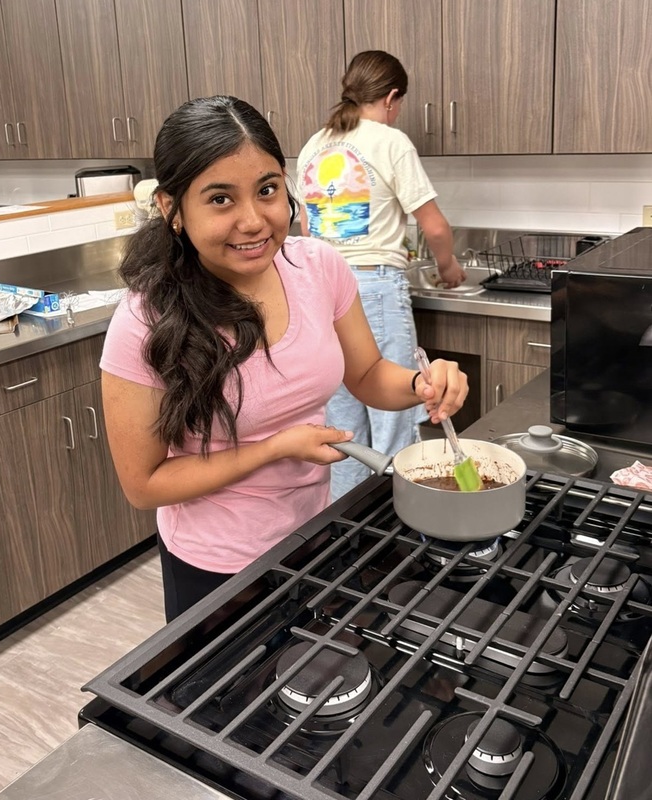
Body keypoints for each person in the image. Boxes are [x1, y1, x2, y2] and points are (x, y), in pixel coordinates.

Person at [99, 95, 469, 623]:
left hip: (314, 534)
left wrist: (422, 383)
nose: (254, 221)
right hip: (217, 567)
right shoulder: (145, 319)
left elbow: (365, 375)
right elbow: (144, 484)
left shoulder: (318, 268)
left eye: (268, 190)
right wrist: (274, 449)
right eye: (221, 199)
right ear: (171, 209)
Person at [296, 50, 466, 501]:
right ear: (392, 98)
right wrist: (449, 268)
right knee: (394, 420)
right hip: (373, 288)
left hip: (320, 290)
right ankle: (392, 531)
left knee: (343, 429)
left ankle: (344, 540)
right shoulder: (390, 142)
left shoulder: (314, 146)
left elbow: (305, 231)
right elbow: (433, 226)